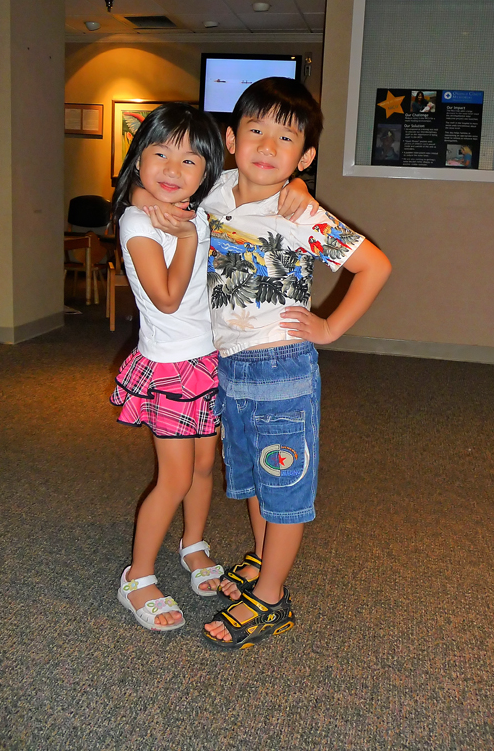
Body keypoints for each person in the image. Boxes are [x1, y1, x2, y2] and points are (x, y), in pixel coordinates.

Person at [112, 103, 319, 633]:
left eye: (188, 161)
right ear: (138, 159)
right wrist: (178, 233)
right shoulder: (142, 217)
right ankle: (137, 577)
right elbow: (166, 295)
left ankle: (193, 545)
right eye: (158, 154)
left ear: (208, 171)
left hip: (208, 361)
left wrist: (296, 188)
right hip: (170, 367)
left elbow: (251, 187)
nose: (171, 170)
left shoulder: (197, 209)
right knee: (175, 478)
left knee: (205, 467)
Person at [200, 77, 392, 649]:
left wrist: (329, 327)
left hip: (282, 371)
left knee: (284, 489)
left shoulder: (299, 211)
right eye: (254, 131)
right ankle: (265, 566)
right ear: (231, 139)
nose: (266, 146)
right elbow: (162, 189)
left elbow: (374, 267)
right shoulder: (215, 190)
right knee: (256, 481)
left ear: (303, 156)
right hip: (230, 369)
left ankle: (272, 599)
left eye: (284, 139)